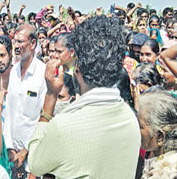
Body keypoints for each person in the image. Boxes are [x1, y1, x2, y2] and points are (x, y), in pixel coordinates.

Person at [28, 16, 140, 178]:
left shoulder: (64, 125)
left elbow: (35, 164)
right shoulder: (130, 118)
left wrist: (51, 95)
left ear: (78, 67)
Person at [4, 24, 47, 175]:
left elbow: (43, 117)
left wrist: (25, 151)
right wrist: (9, 147)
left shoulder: (43, 73)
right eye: (15, 41)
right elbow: (8, 111)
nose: (16, 46)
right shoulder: (14, 71)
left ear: (33, 44)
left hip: (33, 158)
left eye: (21, 42)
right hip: (13, 158)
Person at [137, 89, 177, 178]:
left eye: (140, 126)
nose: (136, 130)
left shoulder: (170, 172)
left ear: (160, 137)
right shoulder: (153, 155)